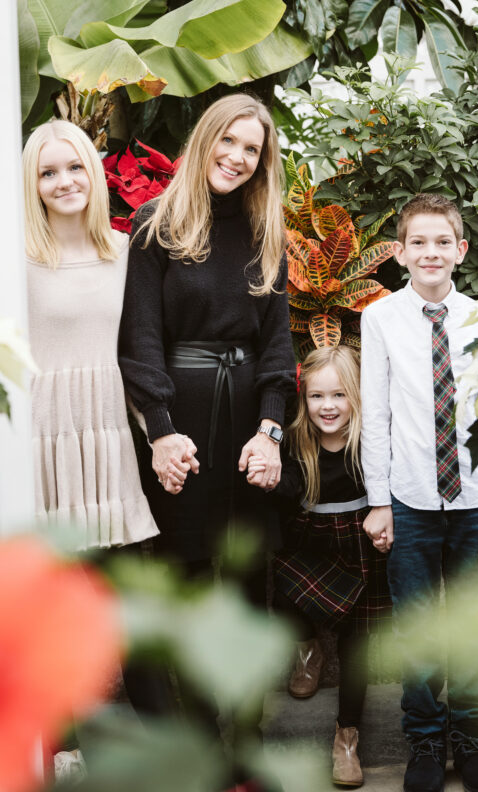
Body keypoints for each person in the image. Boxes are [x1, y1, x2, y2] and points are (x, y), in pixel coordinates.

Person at [360, 193, 478, 792]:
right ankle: (424, 741)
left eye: (441, 242)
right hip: (410, 499)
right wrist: (380, 501)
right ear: (400, 252)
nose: (431, 252)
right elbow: (375, 417)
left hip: (475, 498)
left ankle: (472, 738)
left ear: (461, 249)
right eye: (418, 242)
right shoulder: (380, 320)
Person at [118, 92, 296, 601]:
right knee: (186, 574)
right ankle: (193, 686)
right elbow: (141, 339)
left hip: (248, 424)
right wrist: (161, 432)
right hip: (183, 423)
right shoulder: (156, 223)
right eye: (228, 139)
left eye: (252, 149)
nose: (237, 157)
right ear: (205, 140)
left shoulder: (266, 231)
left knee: (246, 576)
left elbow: (277, 342)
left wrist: (270, 432)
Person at [249, 346, 390, 789]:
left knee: (357, 642)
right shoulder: (295, 440)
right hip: (309, 540)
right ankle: (308, 647)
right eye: (316, 397)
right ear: (303, 399)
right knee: (285, 594)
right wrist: (268, 479)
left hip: (360, 540)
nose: (327, 407)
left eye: (339, 396)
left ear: (356, 396)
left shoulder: (371, 439)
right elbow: (290, 487)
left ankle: (346, 737)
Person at [23, 118, 158, 549]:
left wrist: (158, 431)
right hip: (41, 433)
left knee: (116, 587)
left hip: (105, 429)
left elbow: (137, 350)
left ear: (93, 173)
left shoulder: (122, 253)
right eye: (48, 173)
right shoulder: (15, 261)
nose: (65, 182)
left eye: (75, 167)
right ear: (33, 184)